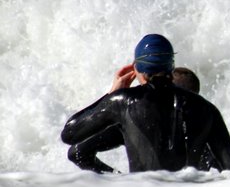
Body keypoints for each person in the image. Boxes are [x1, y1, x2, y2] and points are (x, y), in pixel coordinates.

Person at [61, 34, 230, 173]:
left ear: (137, 69)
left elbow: (70, 135)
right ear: (171, 67)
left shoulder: (124, 103)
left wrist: (112, 94)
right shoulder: (205, 109)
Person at [67, 66, 206, 173]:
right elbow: (225, 176)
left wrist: (119, 181)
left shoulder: (134, 126)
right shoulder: (203, 135)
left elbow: (77, 152)